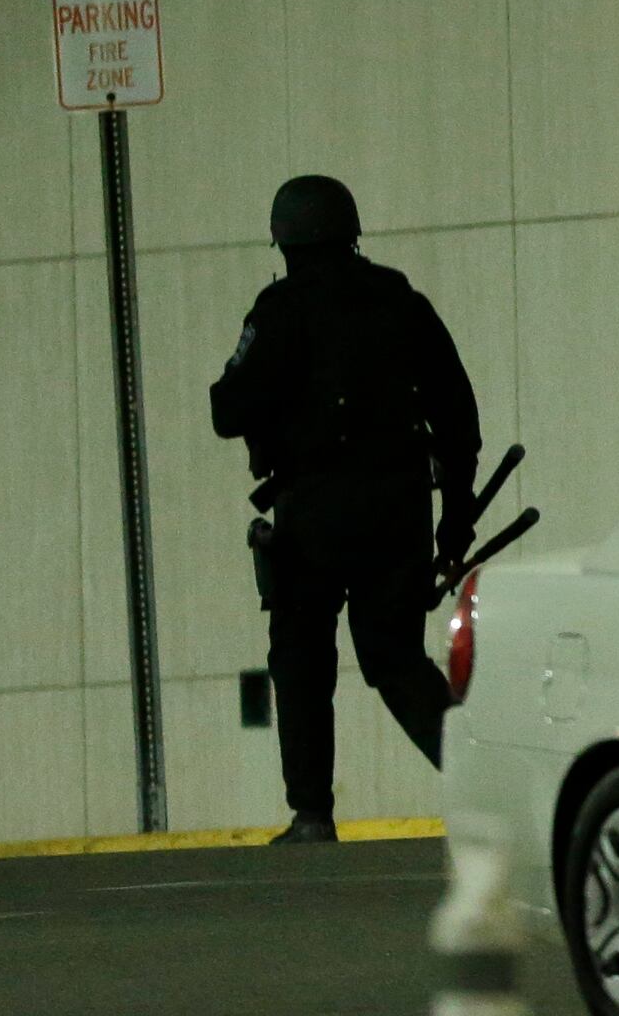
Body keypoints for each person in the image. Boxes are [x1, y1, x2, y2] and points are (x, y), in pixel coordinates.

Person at [207, 174, 480, 844]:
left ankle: (311, 815)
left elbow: (226, 409)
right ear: (351, 232)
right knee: (396, 659)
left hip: (314, 512)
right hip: (398, 509)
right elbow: (457, 416)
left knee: (301, 657)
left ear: (283, 240)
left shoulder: (279, 309)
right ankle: (486, 790)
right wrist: (457, 520)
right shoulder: (399, 301)